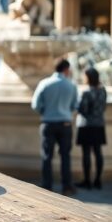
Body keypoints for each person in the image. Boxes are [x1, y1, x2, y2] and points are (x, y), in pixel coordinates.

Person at [31, 58, 78, 196]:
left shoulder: (45, 83)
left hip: (48, 123)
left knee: (47, 156)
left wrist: (45, 111)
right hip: (65, 124)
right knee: (65, 156)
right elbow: (75, 105)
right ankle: (67, 186)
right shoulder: (71, 85)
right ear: (66, 69)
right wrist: (65, 110)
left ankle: (47, 186)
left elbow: (35, 105)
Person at [75, 68, 107, 190]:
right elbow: (103, 107)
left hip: (86, 125)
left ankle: (87, 180)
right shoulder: (103, 90)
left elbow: (83, 109)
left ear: (88, 77)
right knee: (98, 152)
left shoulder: (86, 92)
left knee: (86, 153)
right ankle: (98, 180)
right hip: (99, 124)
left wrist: (76, 105)